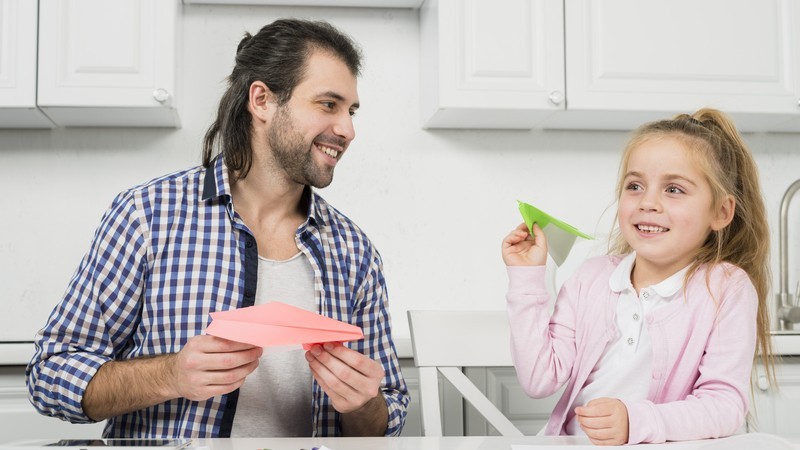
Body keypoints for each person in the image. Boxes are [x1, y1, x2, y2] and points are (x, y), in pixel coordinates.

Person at [26, 18, 408, 438]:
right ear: (262, 100)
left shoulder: (354, 250)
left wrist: (363, 405)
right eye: (328, 104)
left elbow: (386, 415)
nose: (348, 130)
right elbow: (50, 373)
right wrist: (171, 374)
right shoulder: (148, 215)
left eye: (351, 111)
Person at [501, 108, 773, 445]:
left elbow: (725, 405)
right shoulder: (592, 278)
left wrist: (637, 421)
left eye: (673, 189)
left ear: (720, 212)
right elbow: (540, 379)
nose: (647, 202)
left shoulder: (725, 288)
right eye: (634, 185)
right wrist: (526, 278)